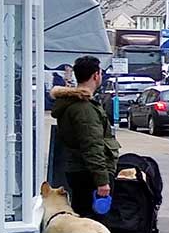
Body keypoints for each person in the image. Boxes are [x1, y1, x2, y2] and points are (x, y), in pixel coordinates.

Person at [51, 55, 120, 215]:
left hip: (79, 170)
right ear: (96, 75)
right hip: (89, 175)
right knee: (94, 223)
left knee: (82, 215)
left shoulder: (74, 104)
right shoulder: (84, 109)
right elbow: (92, 145)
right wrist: (102, 181)